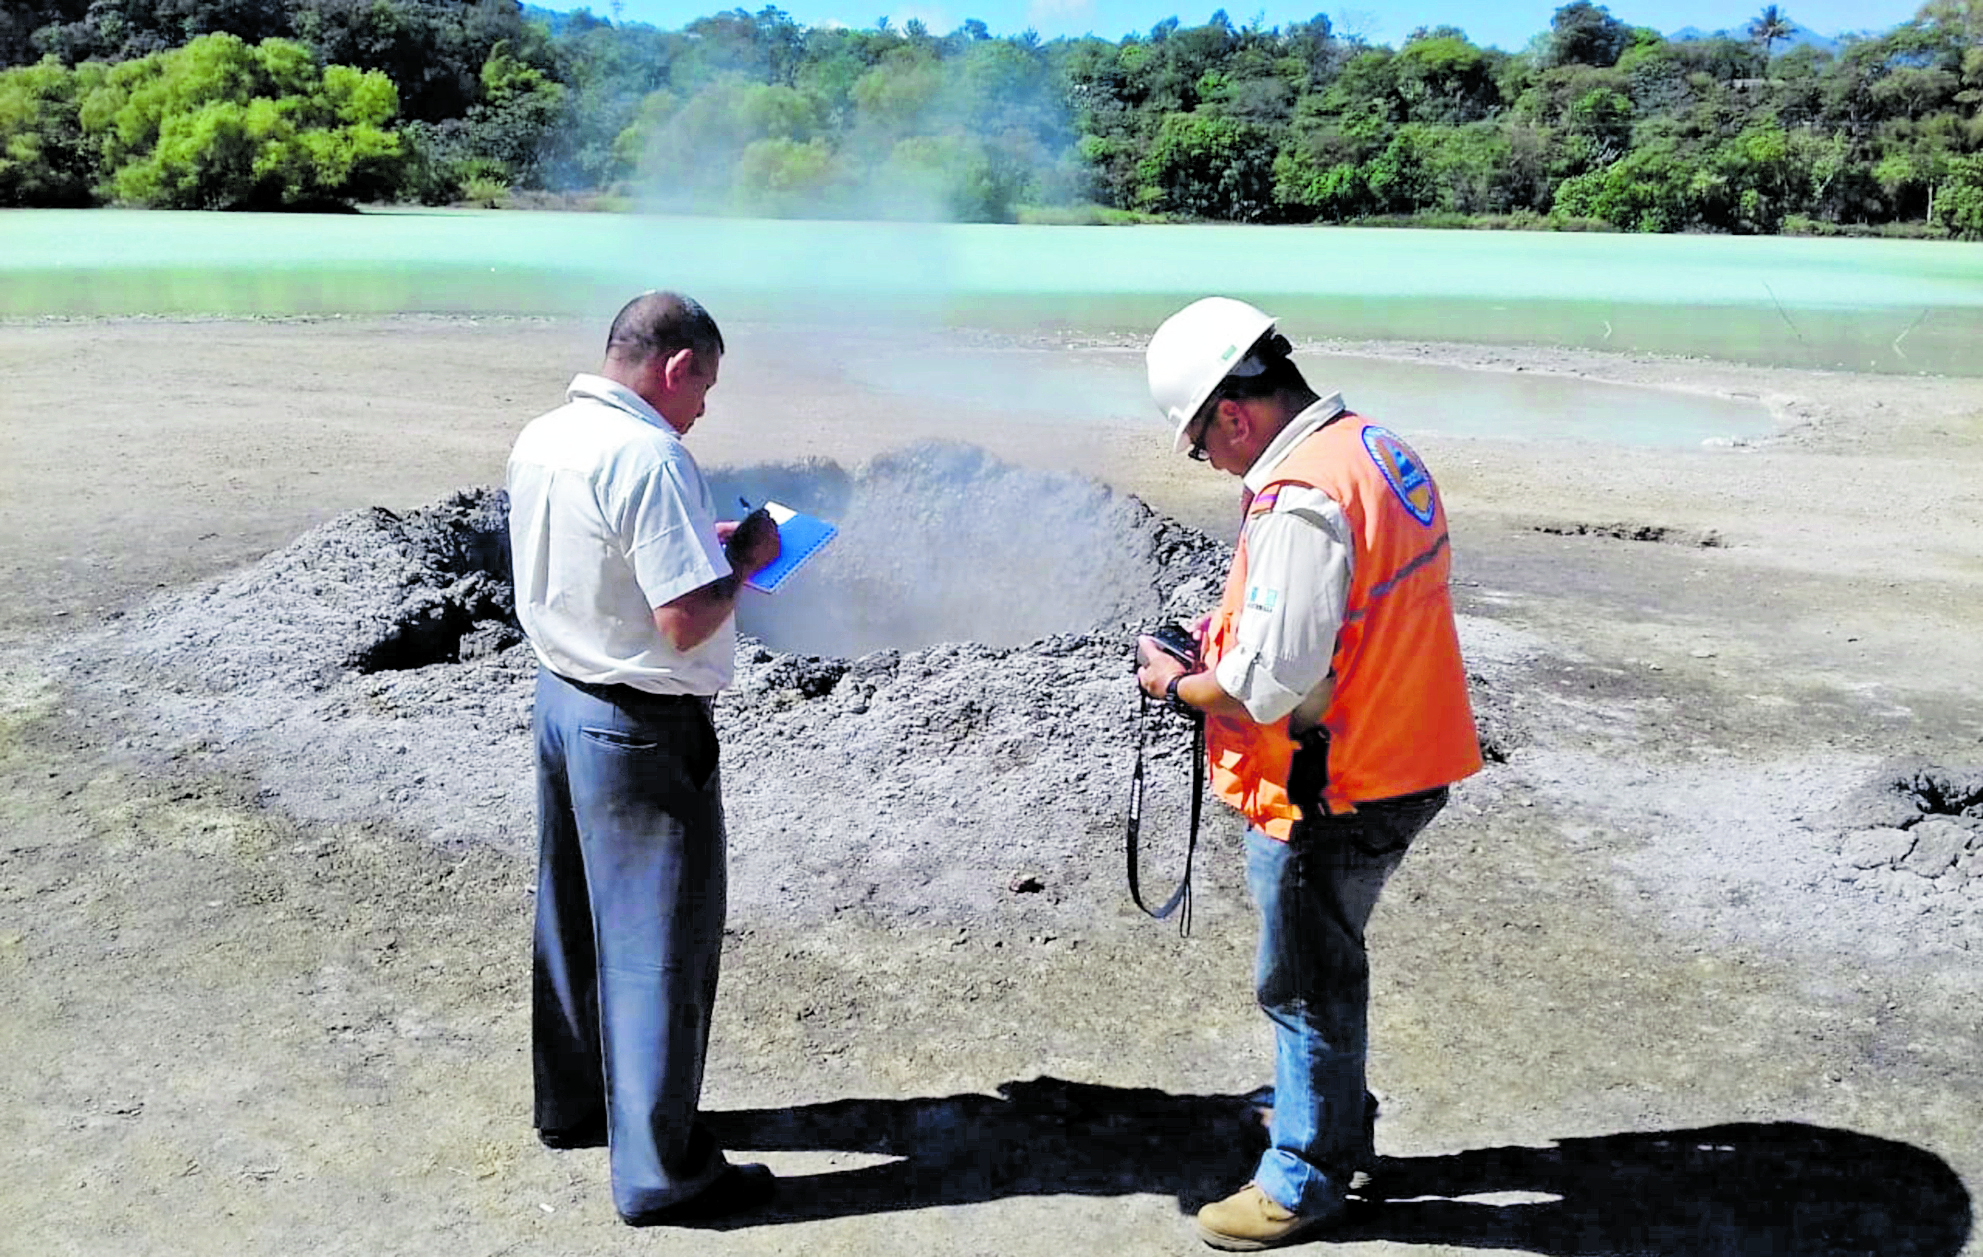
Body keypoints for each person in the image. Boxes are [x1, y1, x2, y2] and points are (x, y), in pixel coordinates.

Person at [1133, 297, 1482, 1251]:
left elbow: (1264, 684)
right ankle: (1324, 1109)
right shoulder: (1374, 448)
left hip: (1333, 785)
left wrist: (1175, 684)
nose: (1211, 463)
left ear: (1233, 414)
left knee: (1305, 982)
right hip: (1403, 754)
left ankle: (1304, 1173)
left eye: (1203, 444)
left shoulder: (1299, 496)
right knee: (1325, 962)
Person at [505, 291, 781, 1226]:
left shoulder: (547, 433)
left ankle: (575, 1106)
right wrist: (746, 556)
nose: (704, 404)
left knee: (573, 918)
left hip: (561, 701)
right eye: (704, 382)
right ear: (675, 366)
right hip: (636, 725)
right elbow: (684, 618)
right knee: (657, 946)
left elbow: (608, 560)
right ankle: (664, 1171)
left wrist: (693, 555)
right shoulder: (651, 454)